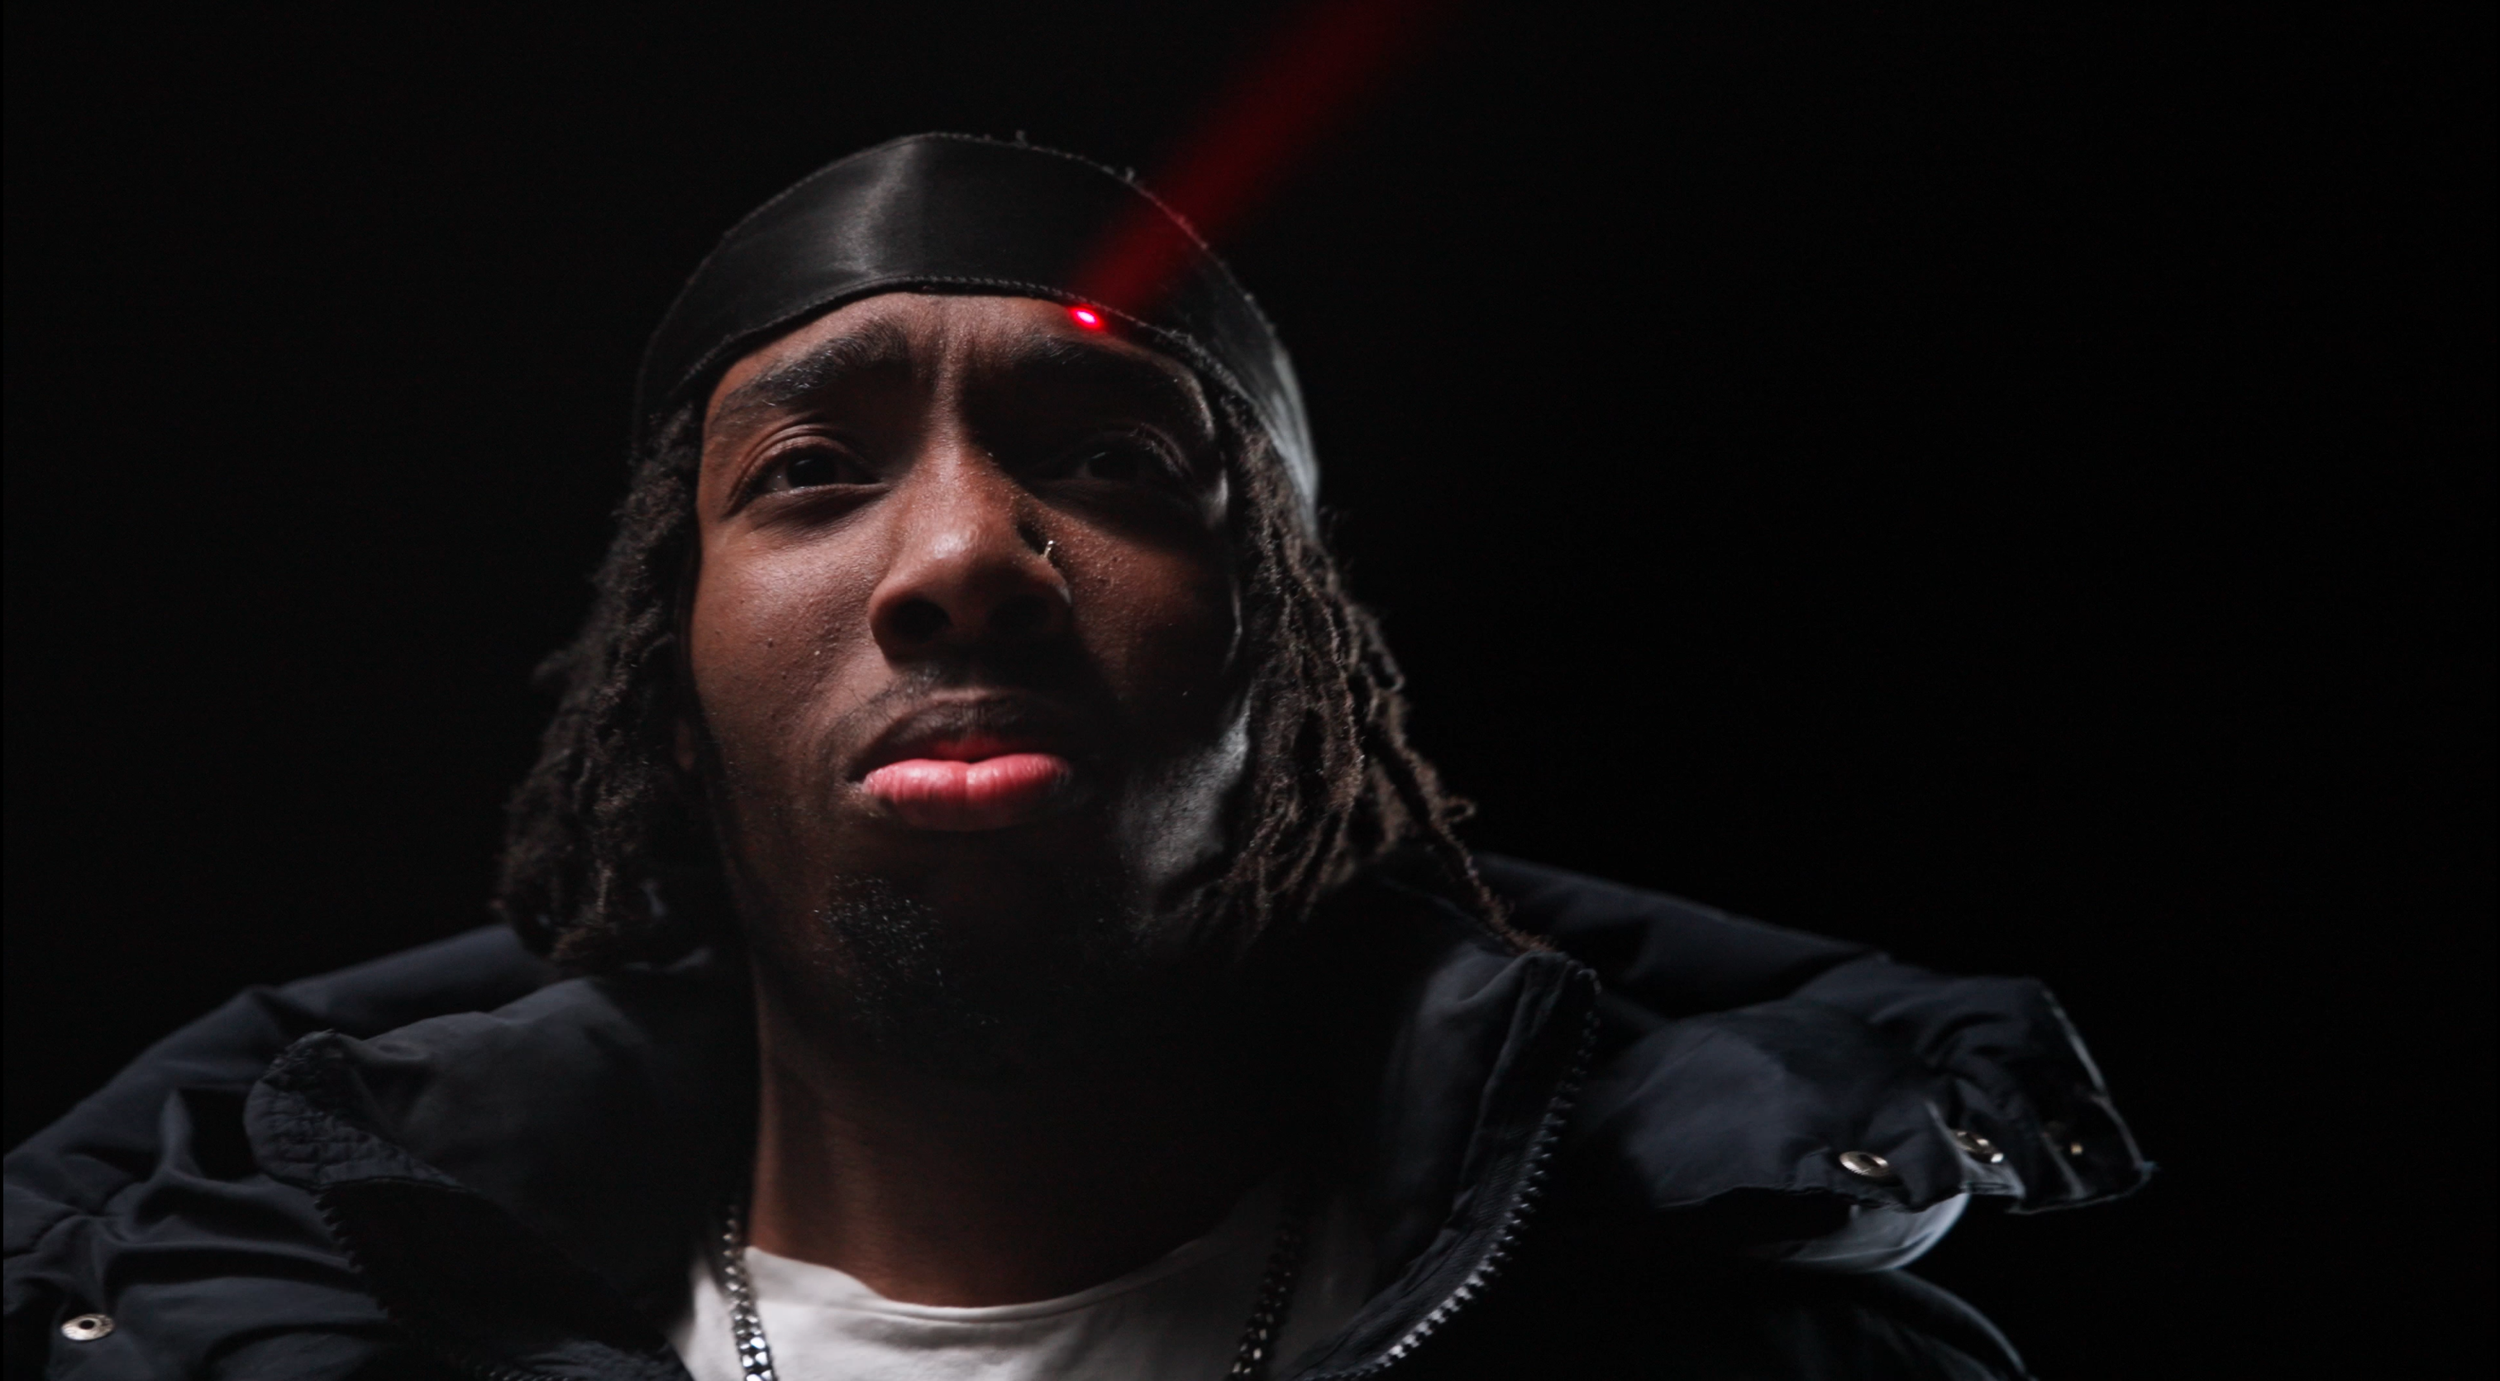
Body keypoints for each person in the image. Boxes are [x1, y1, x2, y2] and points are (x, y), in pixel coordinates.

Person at [2, 134, 2147, 1381]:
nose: (961, 560)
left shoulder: (1764, 1359)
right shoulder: (235, 1337)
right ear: (667, 676)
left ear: (1297, 671)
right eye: (811, 468)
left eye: (1117, 460)